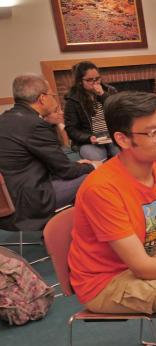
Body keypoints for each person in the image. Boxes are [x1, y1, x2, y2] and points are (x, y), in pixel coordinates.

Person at [68, 91, 156, 314]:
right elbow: (141, 267)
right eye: (153, 132)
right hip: (107, 281)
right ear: (123, 139)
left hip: (150, 254)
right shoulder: (102, 188)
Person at [0, 74, 99, 232]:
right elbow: (66, 171)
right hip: (27, 202)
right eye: (53, 95)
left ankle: (71, 228)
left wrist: (73, 165)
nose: (55, 99)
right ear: (42, 98)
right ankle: (78, 232)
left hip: (6, 200)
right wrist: (93, 166)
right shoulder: (34, 125)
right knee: (92, 178)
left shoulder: (5, 119)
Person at [64, 61, 119, 160]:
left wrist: (103, 95)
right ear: (80, 81)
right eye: (90, 80)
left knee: (122, 152)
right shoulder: (73, 100)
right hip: (89, 140)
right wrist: (89, 138)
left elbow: (118, 111)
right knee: (97, 156)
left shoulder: (110, 91)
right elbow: (71, 129)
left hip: (111, 136)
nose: (95, 82)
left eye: (97, 78)